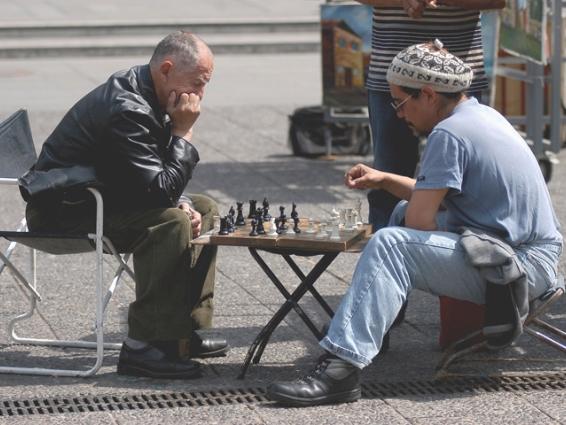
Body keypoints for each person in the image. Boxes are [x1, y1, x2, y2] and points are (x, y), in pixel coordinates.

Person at [267, 40, 562, 406]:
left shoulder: (449, 134)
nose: (397, 113)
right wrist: (385, 179)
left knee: (391, 244)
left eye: (401, 103)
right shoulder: (480, 115)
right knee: (397, 216)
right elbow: (435, 198)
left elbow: (421, 220)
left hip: (519, 268)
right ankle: (371, 320)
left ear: (428, 94)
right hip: (526, 254)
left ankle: (340, 369)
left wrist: (417, 239)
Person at [21, 31, 229, 379]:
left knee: (205, 208)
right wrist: (182, 134)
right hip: (64, 210)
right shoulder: (128, 108)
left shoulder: (149, 90)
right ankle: (145, 346)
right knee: (170, 223)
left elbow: (146, 175)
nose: (200, 95)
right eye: (197, 83)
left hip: (102, 197)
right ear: (166, 69)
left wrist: (182, 201)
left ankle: (181, 332)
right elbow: (156, 189)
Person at [354, 0, 505, 231]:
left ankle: (466, 251)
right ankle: (384, 254)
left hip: (454, 80)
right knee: (386, 182)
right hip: (393, 79)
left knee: (465, 180)